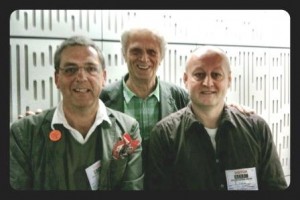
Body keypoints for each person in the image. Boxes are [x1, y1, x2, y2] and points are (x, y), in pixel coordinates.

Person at [99, 26, 254, 176]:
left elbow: (207, 109)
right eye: (136, 51)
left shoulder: (179, 96)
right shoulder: (102, 100)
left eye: (152, 52)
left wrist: (230, 108)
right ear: (124, 54)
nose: (144, 58)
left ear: (161, 57)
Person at [10, 35, 143, 190]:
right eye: (70, 69)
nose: (81, 77)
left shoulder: (128, 130)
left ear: (103, 77)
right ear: (57, 79)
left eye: (91, 69)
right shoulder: (23, 134)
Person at [146, 46, 287, 190]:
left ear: (229, 80)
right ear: (186, 80)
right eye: (199, 75)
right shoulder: (164, 135)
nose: (208, 83)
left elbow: (275, 188)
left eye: (216, 75)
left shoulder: (257, 129)